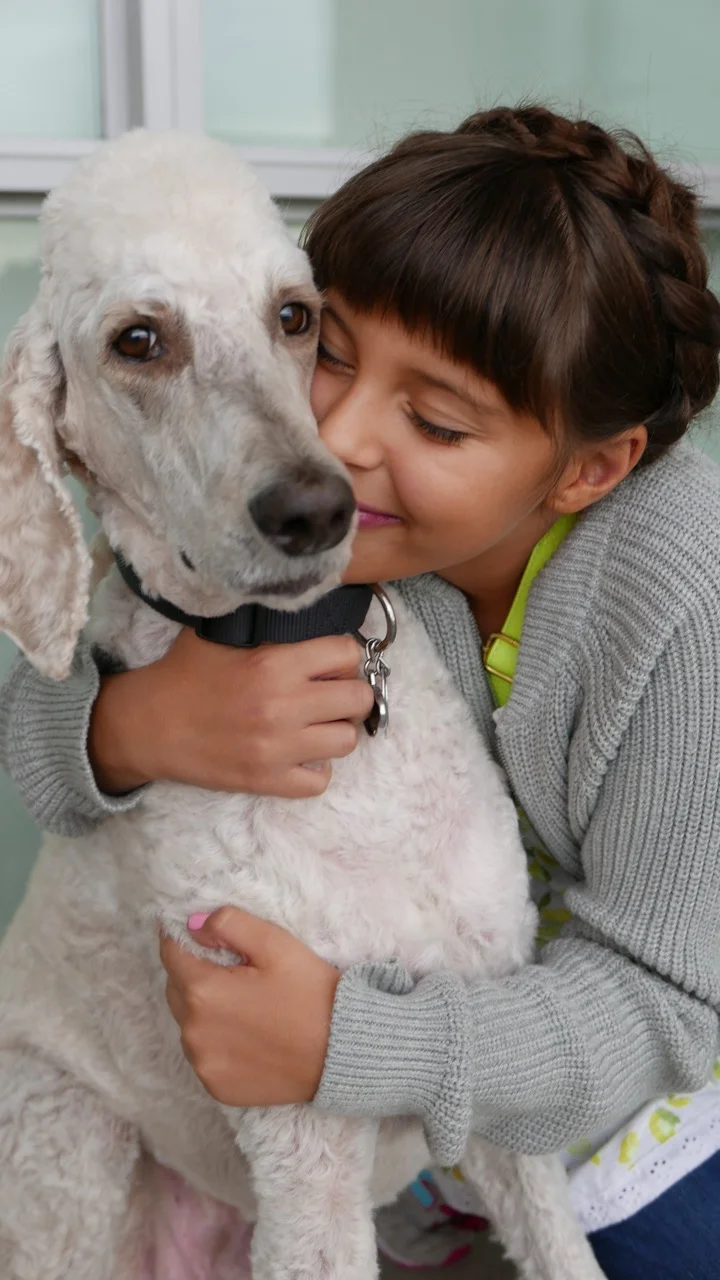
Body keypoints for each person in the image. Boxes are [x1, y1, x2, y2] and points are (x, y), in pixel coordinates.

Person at [2, 105, 720, 1278]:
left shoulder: (684, 606)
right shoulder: (322, 541)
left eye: (434, 419)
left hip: (645, 1063)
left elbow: (664, 1006)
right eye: (321, 342)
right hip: (414, 1079)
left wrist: (348, 1041)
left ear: (586, 470)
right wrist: (137, 724)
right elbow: (37, 706)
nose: (326, 437)